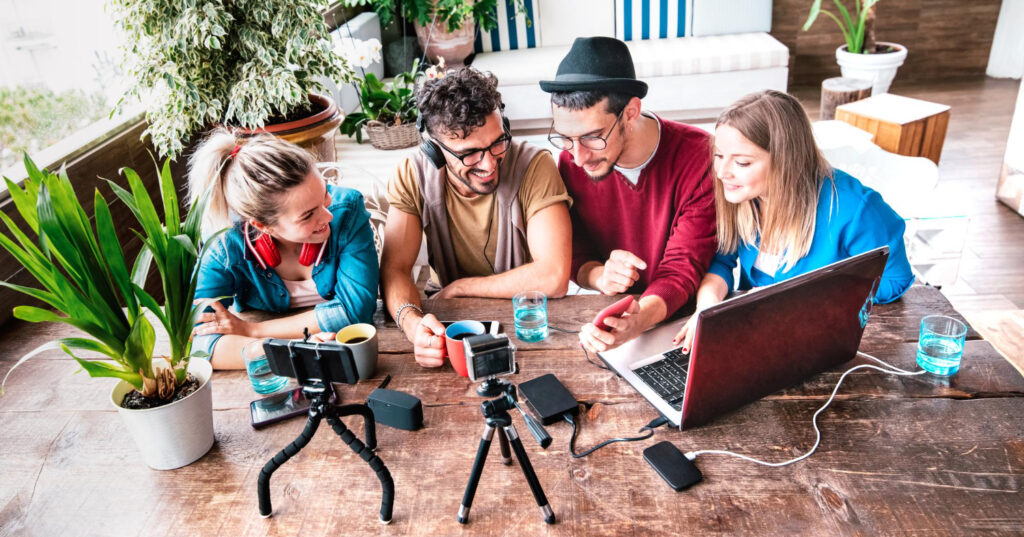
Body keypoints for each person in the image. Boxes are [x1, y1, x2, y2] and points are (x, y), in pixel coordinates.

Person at [673, 90, 915, 350]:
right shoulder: (740, 194)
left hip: (820, 338)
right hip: (754, 333)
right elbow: (721, 261)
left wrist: (799, 300)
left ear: (785, 161)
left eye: (741, 162)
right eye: (719, 156)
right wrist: (705, 309)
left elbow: (894, 279)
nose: (722, 173)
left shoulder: (855, 208)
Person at [381, 67, 573, 368]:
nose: (489, 163)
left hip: (522, 320)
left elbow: (554, 276)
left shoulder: (535, 166)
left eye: (498, 142)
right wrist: (411, 323)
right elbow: (394, 269)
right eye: (469, 154)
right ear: (435, 150)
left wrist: (461, 287)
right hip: (449, 320)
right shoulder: (412, 172)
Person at [540, 36, 717, 354]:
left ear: (631, 113)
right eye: (565, 138)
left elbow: (682, 271)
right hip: (608, 317)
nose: (578, 157)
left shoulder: (700, 157)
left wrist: (638, 321)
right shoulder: (571, 159)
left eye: (593, 137)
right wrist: (598, 275)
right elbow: (575, 250)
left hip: (679, 327)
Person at [189, 131, 379, 369]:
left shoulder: (348, 209)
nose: (328, 216)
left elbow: (354, 313)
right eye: (308, 214)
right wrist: (289, 350)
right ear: (262, 225)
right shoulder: (223, 246)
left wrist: (250, 330)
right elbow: (198, 341)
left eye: (325, 196)